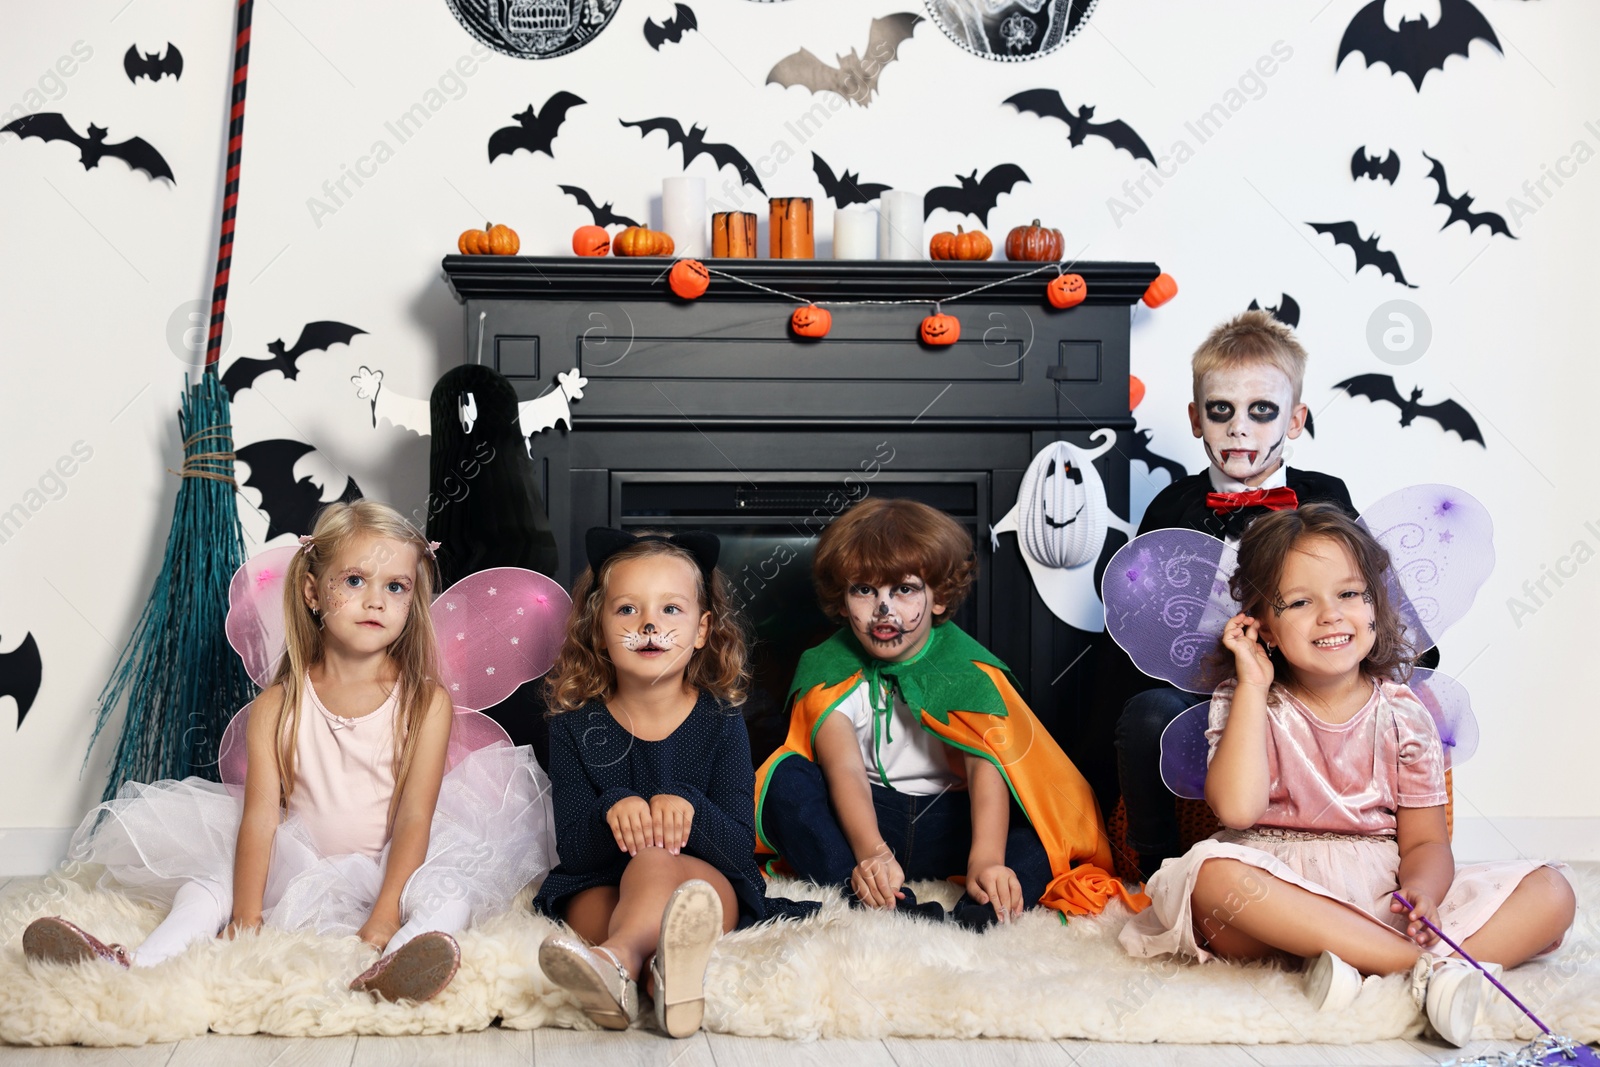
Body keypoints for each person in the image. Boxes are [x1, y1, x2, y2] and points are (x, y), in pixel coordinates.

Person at [22, 501, 553, 1003]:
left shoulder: (423, 702)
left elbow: (416, 815)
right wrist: (248, 916)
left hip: (391, 859)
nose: (375, 600)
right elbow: (259, 818)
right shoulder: (279, 704)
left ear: (412, 602)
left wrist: (387, 911)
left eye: (396, 587)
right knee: (208, 884)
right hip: (299, 860)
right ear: (312, 592)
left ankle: (397, 963)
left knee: (449, 893)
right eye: (354, 580)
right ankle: (137, 959)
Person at [1118, 504, 1576, 1046]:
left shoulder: (1405, 713)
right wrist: (1252, 684)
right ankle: (1424, 972)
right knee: (1212, 875)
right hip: (1276, 897)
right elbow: (1236, 811)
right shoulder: (1247, 701)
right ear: (1262, 626)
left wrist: (1423, 891)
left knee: (1552, 891)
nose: (1331, 614)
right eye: (1300, 601)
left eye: (1349, 594)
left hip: (1380, 896)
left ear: (1376, 608)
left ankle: (1366, 965)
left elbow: (1427, 840)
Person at [755, 497, 1145, 929]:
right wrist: (871, 853)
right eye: (864, 590)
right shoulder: (826, 669)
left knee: (1040, 828)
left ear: (937, 599)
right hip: (866, 818)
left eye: (903, 590)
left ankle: (984, 909)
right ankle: (865, 891)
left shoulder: (968, 669)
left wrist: (986, 858)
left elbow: (989, 764)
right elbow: (843, 769)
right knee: (785, 778)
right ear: (844, 601)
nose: (884, 610)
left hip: (953, 823)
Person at [1095, 309, 1358, 879]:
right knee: (1143, 714)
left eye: (1262, 412)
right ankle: (1157, 865)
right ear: (1196, 419)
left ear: (1294, 421)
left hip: (1298, 686)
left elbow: (1363, 591)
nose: (1240, 428)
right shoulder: (1172, 505)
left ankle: (1317, 862)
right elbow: (1139, 613)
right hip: (1200, 689)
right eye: (1222, 411)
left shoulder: (1325, 496)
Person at [532, 528, 816, 1038]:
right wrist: (612, 808)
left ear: (703, 629)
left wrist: (688, 807)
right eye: (626, 611)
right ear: (597, 629)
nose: (648, 625)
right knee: (585, 906)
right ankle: (658, 978)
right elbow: (574, 850)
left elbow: (735, 846)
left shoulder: (721, 720)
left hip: (702, 891)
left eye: (670, 610)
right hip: (604, 885)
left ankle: (618, 961)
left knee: (657, 863)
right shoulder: (576, 724)